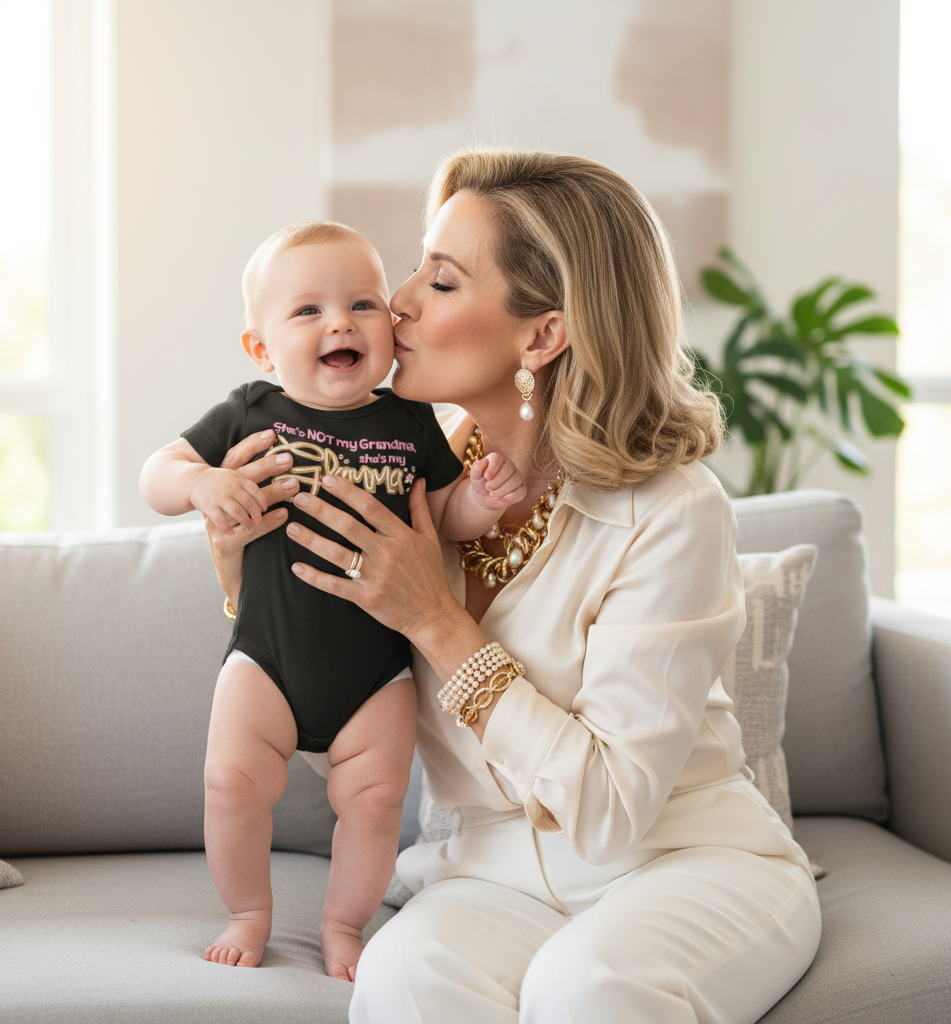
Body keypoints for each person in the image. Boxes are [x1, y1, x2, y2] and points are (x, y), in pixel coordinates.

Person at [202, 150, 822, 1023]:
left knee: (588, 987)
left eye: (443, 282)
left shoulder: (673, 512)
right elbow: (309, 681)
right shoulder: (412, 478)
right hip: (494, 874)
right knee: (400, 975)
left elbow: (609, 813)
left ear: (541, 336)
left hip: (678, 861)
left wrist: (437, 618)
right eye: (416, 267)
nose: (400, 300)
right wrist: (241, 570)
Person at [139, 220, 527, 979]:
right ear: (261, 348)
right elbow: (158, 472)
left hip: (374, 673)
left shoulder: (411, 422)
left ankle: (344, 925)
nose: (339, 322)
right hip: (266, 660)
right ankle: (250, 913)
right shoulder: (251, 411)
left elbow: (442, 519)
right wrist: (199, 483)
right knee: (230, 782)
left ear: (389, 325)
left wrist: (480, 503)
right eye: (307, 311)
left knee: (377, 801)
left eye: (362, 304)